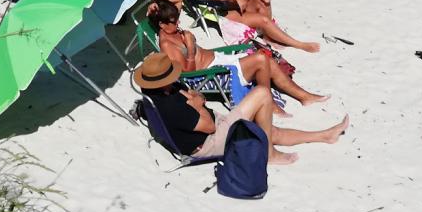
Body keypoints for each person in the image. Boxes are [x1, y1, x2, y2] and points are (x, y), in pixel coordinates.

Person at [134, 53, 348, 164]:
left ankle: (325, 136)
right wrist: (198, 105)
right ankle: (269, 155)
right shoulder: (169, 105)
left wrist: (196, 99)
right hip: (208, 143)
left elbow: (196, 95)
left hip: (213, 127)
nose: (175, 77)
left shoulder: (160, 90)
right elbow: (208, 127)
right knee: (262, 94)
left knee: (268, 131)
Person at [147, 0, 327, 106]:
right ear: (162, 25)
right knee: (261, 60)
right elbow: (188, 74)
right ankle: (271, 102)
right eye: (173, 21)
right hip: (210, 73)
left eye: (177, 19)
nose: (177, 23)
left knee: (265, 58)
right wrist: (192, 49)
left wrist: (156, 2)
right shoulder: (168, 45)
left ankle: (302, 96)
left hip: (218, 59)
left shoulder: (172, 28)